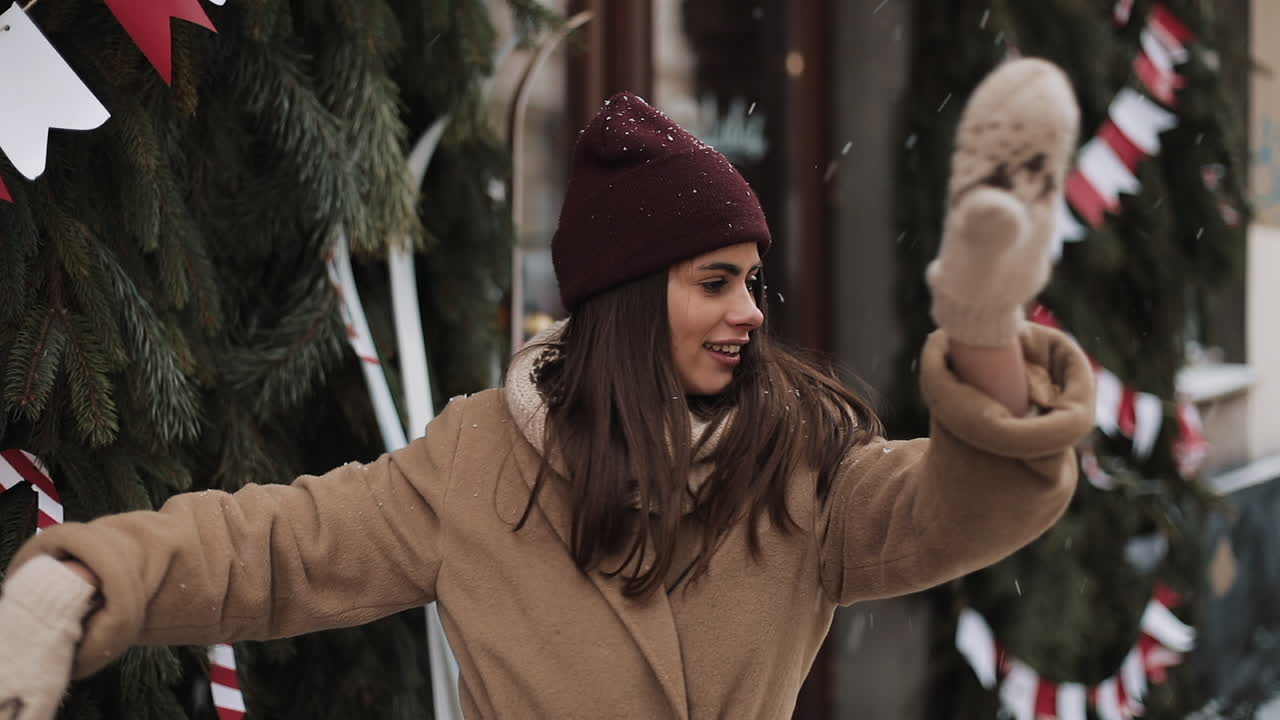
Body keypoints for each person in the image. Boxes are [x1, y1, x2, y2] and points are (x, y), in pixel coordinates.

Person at [0, 58, 1093, 720]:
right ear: (621, 299)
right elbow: (277, 546)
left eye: (754, 282)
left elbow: (965, 502)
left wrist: (982, 328)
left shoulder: (796, 462)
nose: (752, 311)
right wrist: (84, 579)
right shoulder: (477, 462)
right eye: (715, 281)